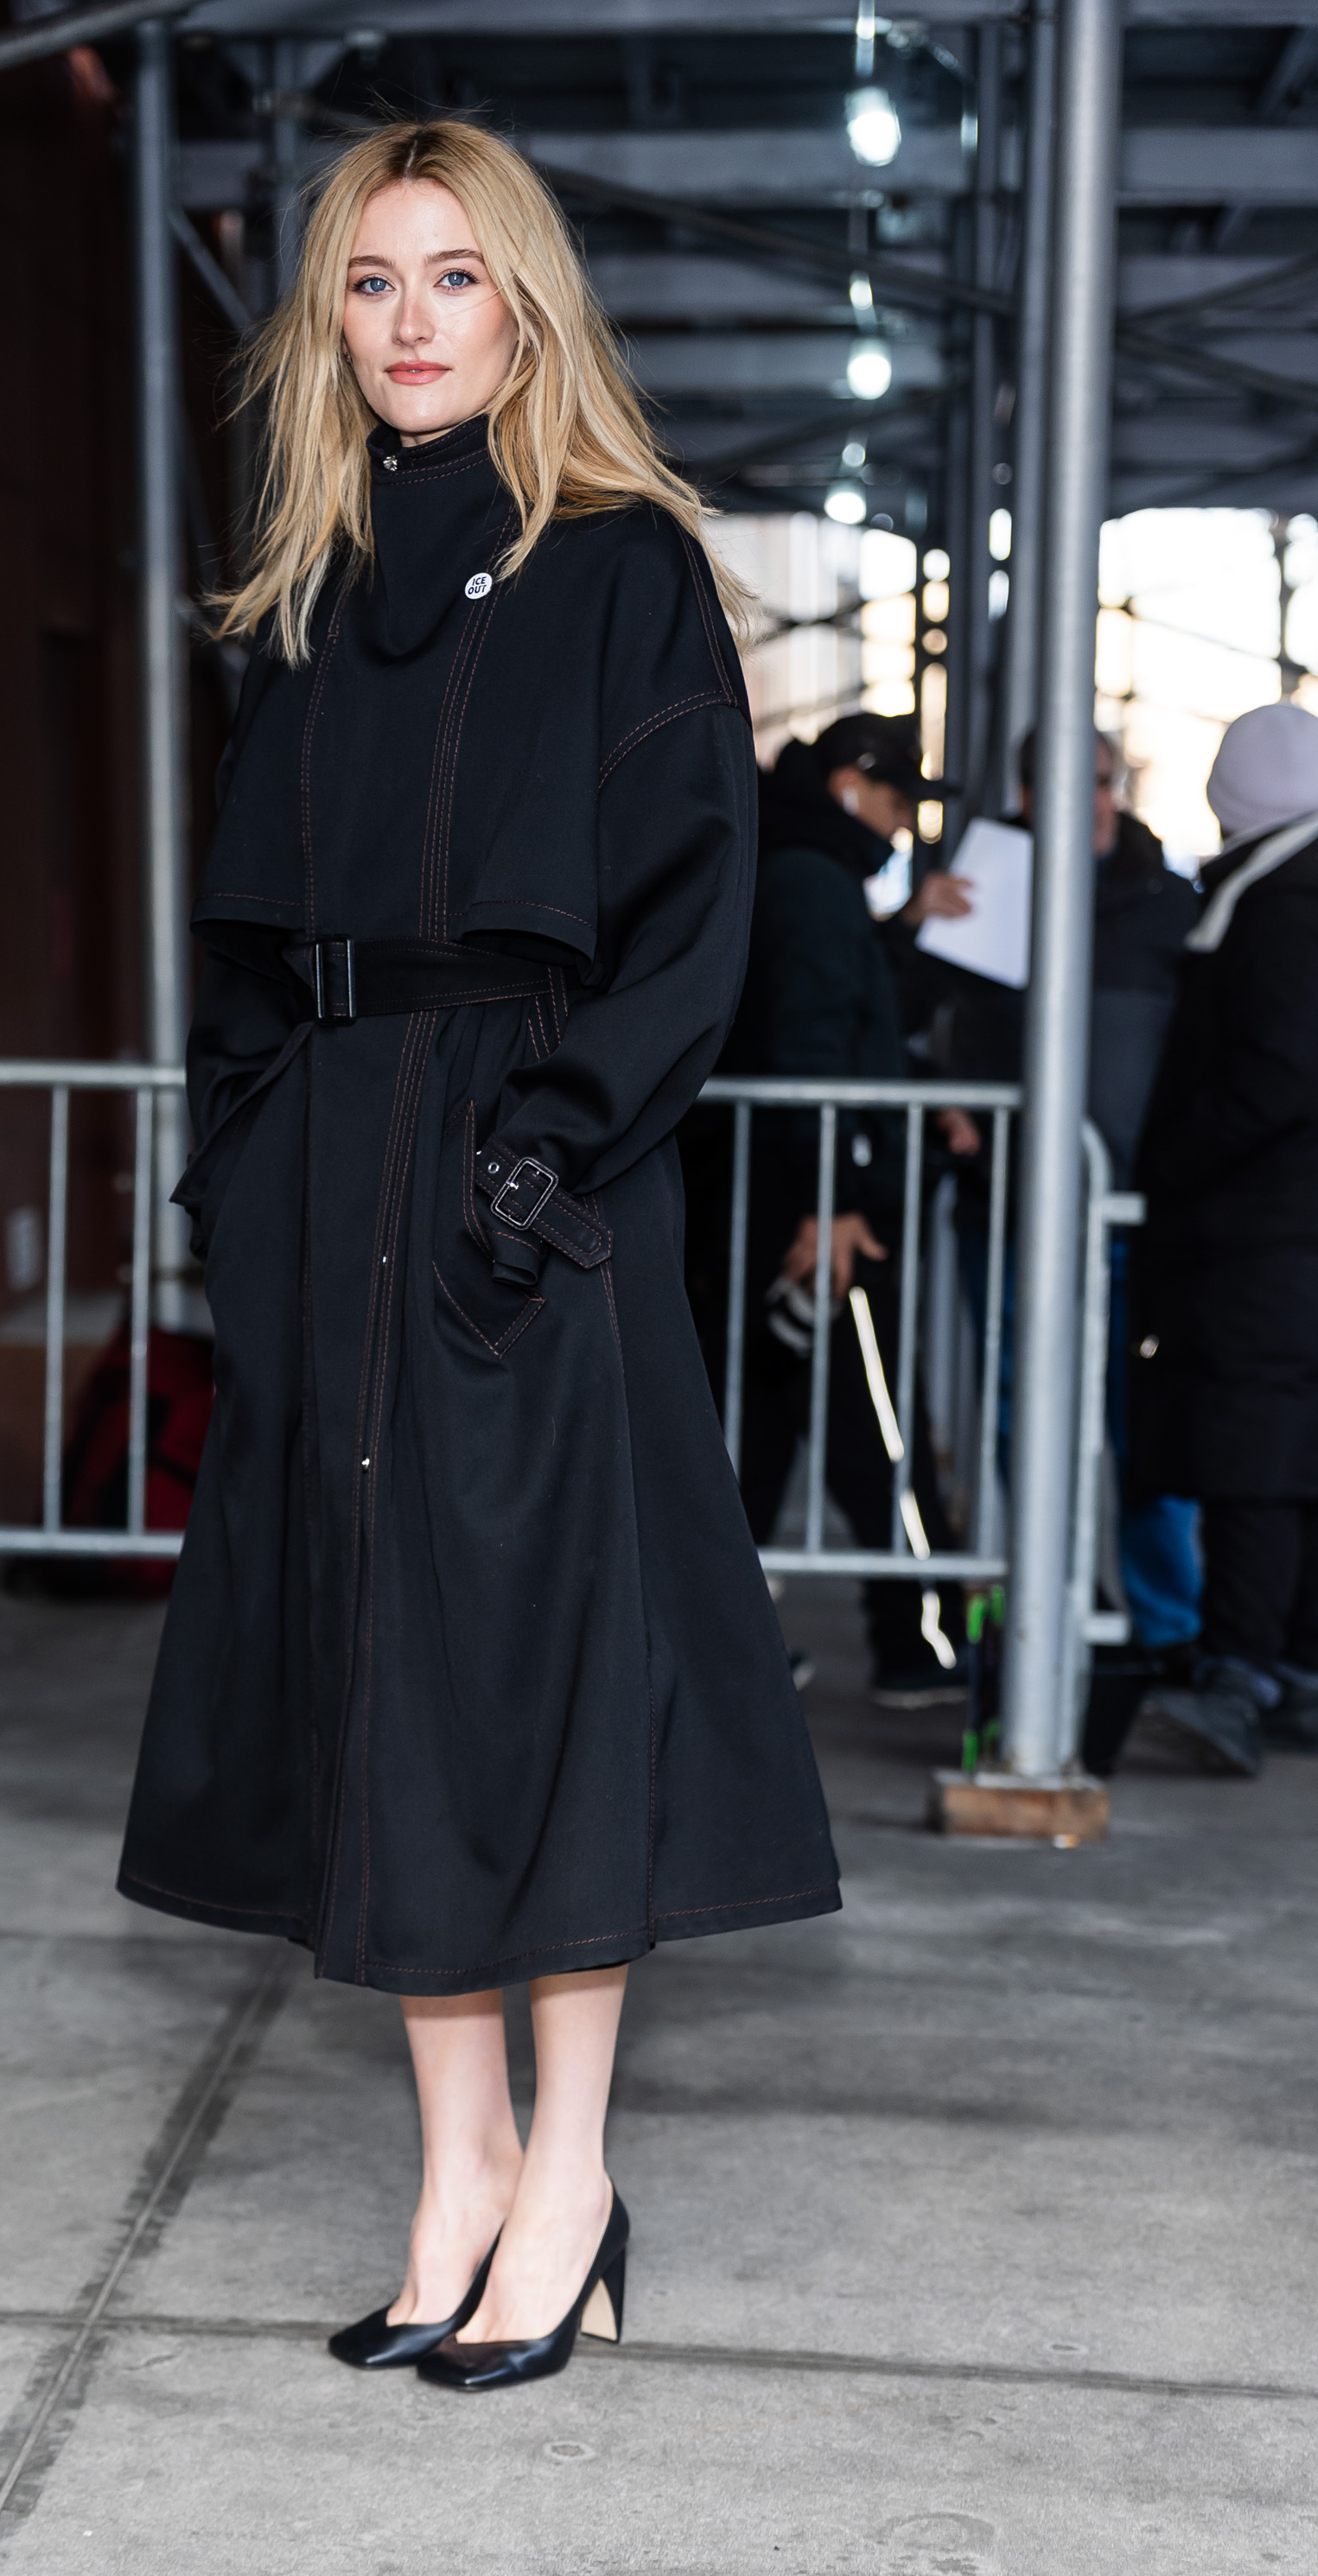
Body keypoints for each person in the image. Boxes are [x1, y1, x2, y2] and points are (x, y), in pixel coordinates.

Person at [116, 119, 839, 2394]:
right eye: (366, 280)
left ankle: (572, 2180)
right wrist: (248, 1171)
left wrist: (537, 1170)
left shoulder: (626, 570)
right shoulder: (313, 594)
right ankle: (451, 2176)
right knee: (377, 1691)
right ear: (328, 323)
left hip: (523, 1194)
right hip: (327, 1187)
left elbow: (691, 924)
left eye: (456, 274)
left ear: (526, 304)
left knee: (537, 1683)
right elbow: (246, 950)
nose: (412, 317)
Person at [685, 712, 969, 1708]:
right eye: (895, 803)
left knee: (756, 1428)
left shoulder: (793, 864)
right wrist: (831, 1203)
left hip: (767, 1194)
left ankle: (706, 1643)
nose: (899, 827)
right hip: (815, 1208)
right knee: (876, 1424)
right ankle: (926, 1641)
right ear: (851, 784)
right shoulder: (812, 881)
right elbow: (808, 1050)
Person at [927, 728, 1203, 1656]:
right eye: (1059, 783)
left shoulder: (1170, 906)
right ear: (1023, 792)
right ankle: (1056, 1610)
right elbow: (903, 1012)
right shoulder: (976, 885)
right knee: (1019, 1414)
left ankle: (1166, 1630)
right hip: (1001, 1206)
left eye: (1095, 781)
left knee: (1145, 1421)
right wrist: (942, 1102)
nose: (1082, 799)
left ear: (1116, 788)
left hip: (1129, 1213)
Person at [1134, 701, 1318, 1776]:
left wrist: (1175, 1155)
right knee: (1286, 1444)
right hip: (1281, 1224)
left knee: (1253, 1445)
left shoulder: (1282, 905)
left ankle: (1241, 1669)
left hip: (1264, 1228)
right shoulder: (1284, 888)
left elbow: (1278, 1071)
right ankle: (1288, 1662)